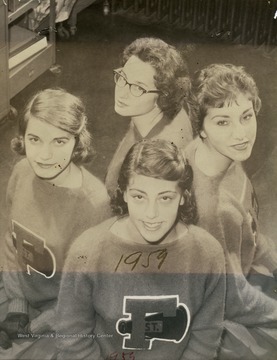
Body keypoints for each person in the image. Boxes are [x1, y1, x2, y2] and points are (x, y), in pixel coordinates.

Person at [56, 139, 226, 360]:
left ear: (183, 197)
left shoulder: (208, 253)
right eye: (139, 196)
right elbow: (72, 339)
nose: (151, 213)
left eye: (165, 198)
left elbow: (206, 338)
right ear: (124, 193)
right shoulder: (87, 251)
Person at [0, 88, 111, 356]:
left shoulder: (95, 204)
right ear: (23, 139)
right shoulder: (21, 171)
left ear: (77, 143)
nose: (44, 155)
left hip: (66, 314)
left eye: (59, 142)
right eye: (35, 139)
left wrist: (36, 327)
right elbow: (10, 241)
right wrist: (17, 303)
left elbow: (88, 293)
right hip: (19, 293)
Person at [185, 63, 277, 359]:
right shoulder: (213, 209)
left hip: (241, 271)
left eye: (246, 116)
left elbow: (252, 231)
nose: (241, 133)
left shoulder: (224, 155)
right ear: (201, 128)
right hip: (212, 308)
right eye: (222, 122)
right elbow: (233, 298)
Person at [105, 37, 193, 196]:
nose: (122, 92)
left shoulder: (160, 155)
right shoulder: (149, 113)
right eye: (123, 77)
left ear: (163, 95)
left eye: (138, 87)